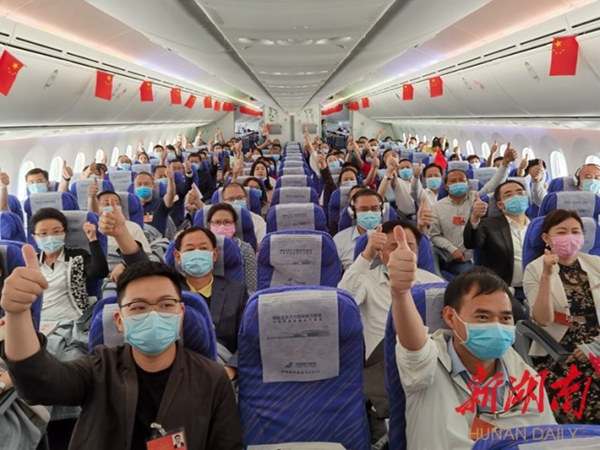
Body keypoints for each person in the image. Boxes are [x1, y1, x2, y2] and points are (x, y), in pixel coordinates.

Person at [1, 255, 242, 449]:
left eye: (166, 305)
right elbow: (39, 383)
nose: (153, 314)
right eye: (138, 307)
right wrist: (17, 314)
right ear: (119, 321)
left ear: (181, 315)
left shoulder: (212, 378)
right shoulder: (99, 367)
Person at [388, 232, 556, 449]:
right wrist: (400, 293)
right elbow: (414, 348)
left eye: (505, 318)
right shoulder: (428, 365)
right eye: (483, 317)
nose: (496, 326)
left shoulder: (525, 376)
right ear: (450, 317)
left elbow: (546, 441)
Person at [523, 209, 600, 424]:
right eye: (562, 232)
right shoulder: (534, 269)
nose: (570, 237)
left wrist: (595, 348)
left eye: (575, 231)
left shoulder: (596, 264)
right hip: (561, 352)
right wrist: (547, 276)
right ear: (546, 238)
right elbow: (543, 319)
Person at [338, 219, 443, 358]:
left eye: (410, 246)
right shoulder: (365, 279)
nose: (403, 251)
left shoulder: (434, 283)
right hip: (381, 359)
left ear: (417, 251)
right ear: (380, 252)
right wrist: (367, 254)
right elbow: (343, 303)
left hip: (425, 356)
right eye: (394, 247)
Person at [173, 226, 248, 380]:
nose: (197, 253)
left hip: (223, 371)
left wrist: (231, 369)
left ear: (214, 254)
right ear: (178, 257)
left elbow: (248, 337)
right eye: (190, 249)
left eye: (203, 248)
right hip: (178, 371)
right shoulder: (170, 292)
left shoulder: (236, 290)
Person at [430, 146, 517, 275]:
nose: (458, 183)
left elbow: (493, 185)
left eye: (461, 180)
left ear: (468, 184)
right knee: (476, 275)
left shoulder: (476, 198)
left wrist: (505, 164)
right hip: (457, 259)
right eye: (453, 181)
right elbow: (434, 235)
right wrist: (453, 250)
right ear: (446, 187)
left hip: (482, 256)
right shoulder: (437, 207)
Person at [463, 180, 530, 319]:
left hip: (536, 287)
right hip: (504, 288)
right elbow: (472, 243)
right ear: (500, 205)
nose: (516, 197)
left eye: (520, 193)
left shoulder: (538, 226)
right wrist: (475, 217)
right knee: (523, 315)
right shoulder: (489, 225)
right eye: (508, 195)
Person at [31, 207, 108, 320]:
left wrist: (92, 239)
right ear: (34, 237)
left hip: (74, 321)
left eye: (56, 232)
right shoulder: (31, 264)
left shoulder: (78, 256)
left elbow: (100, 272)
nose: (50, 237)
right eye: (43, 233)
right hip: (38, 323)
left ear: (64, 233)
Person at [88, 188, 152, 281]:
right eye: (106, 203)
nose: (112, 206)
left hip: (126, 273)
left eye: (116, 203)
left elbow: (145, 256)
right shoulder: (90, 228)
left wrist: (124, 264)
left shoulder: (133, 227)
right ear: (98, 207)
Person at [206, 203, 258, 296]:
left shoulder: (245, 248)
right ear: (209, 225)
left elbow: (251, 288)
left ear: (234, 224)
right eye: (217, 222)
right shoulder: (201, 248)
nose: (222, 226)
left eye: (227, 222)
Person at [334, 188, 383, 270]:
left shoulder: (393, 237)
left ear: (382, 211)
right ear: (353, 213)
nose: (369, 213)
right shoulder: (339, 240)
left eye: (374, 208)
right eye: (363, 209)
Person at [134, 169, 175, 237]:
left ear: (153, 186)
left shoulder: (160, 203)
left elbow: (170, 195)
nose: (142, 186)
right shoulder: (131, 207)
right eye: (139, 184)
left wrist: (170, 180)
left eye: (146, 184)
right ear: (134, 187)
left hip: (156, 241)